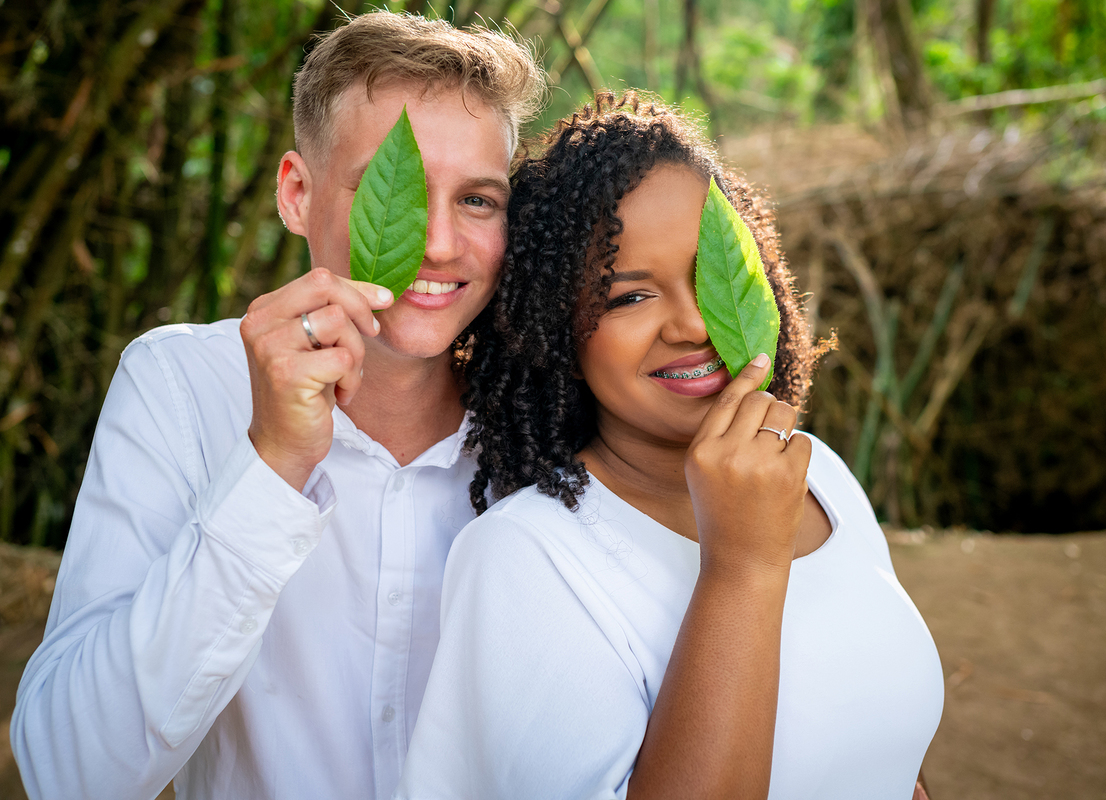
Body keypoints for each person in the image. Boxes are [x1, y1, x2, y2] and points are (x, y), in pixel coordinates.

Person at [11, 12, 544, 800]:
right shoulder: (180, 386)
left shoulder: (548, 427)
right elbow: (68, 772)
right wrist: (271, 463)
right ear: (296, 192)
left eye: (477, 200)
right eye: (391, 189)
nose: (435, 243)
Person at [396, 94, 944, 799]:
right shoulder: (524, 556)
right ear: (557, 330)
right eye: (627, 296)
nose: (691, 324)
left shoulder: (815, 471)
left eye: (713, 275)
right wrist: (742, 565)